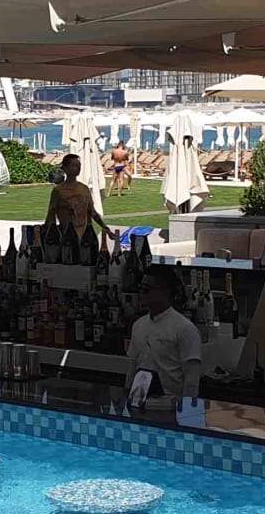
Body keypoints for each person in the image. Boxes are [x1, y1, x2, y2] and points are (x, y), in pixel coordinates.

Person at [126, 265, 203, 401]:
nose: (141, 293)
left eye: (146, 289)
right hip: (139, 401)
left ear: (165, 292)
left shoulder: (185, 329)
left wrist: (186, 409)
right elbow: (132, 369)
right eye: (141, 288)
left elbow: (191, 381)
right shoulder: (138, 325)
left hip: (171, 405)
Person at [44, 153, 114, 244]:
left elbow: (92, 212)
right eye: (74, 165)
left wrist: (105, 228)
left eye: (79, 165)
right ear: (65, 168)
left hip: (85, 236)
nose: (78, 168)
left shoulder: (84, 189)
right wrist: (46, 232)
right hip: (66, 237)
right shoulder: (58, 191)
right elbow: (51, 214)